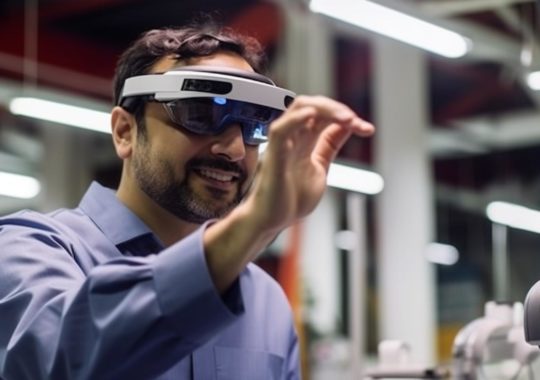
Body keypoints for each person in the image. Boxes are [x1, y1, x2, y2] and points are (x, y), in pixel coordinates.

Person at [0, 21, 374, 380]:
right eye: (200, 114)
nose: (232, 150)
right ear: (125, 131)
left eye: (253, 125)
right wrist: (256, 223)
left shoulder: (266, 302)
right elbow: (61, 361)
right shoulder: (28, 249)